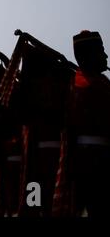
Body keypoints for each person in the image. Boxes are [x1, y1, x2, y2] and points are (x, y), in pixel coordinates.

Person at [69, 30, 110, 217]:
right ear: (89, 56)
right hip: (96, 163)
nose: (106, 55)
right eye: (101, 51)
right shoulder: (92, 86)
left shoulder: (95, 82)